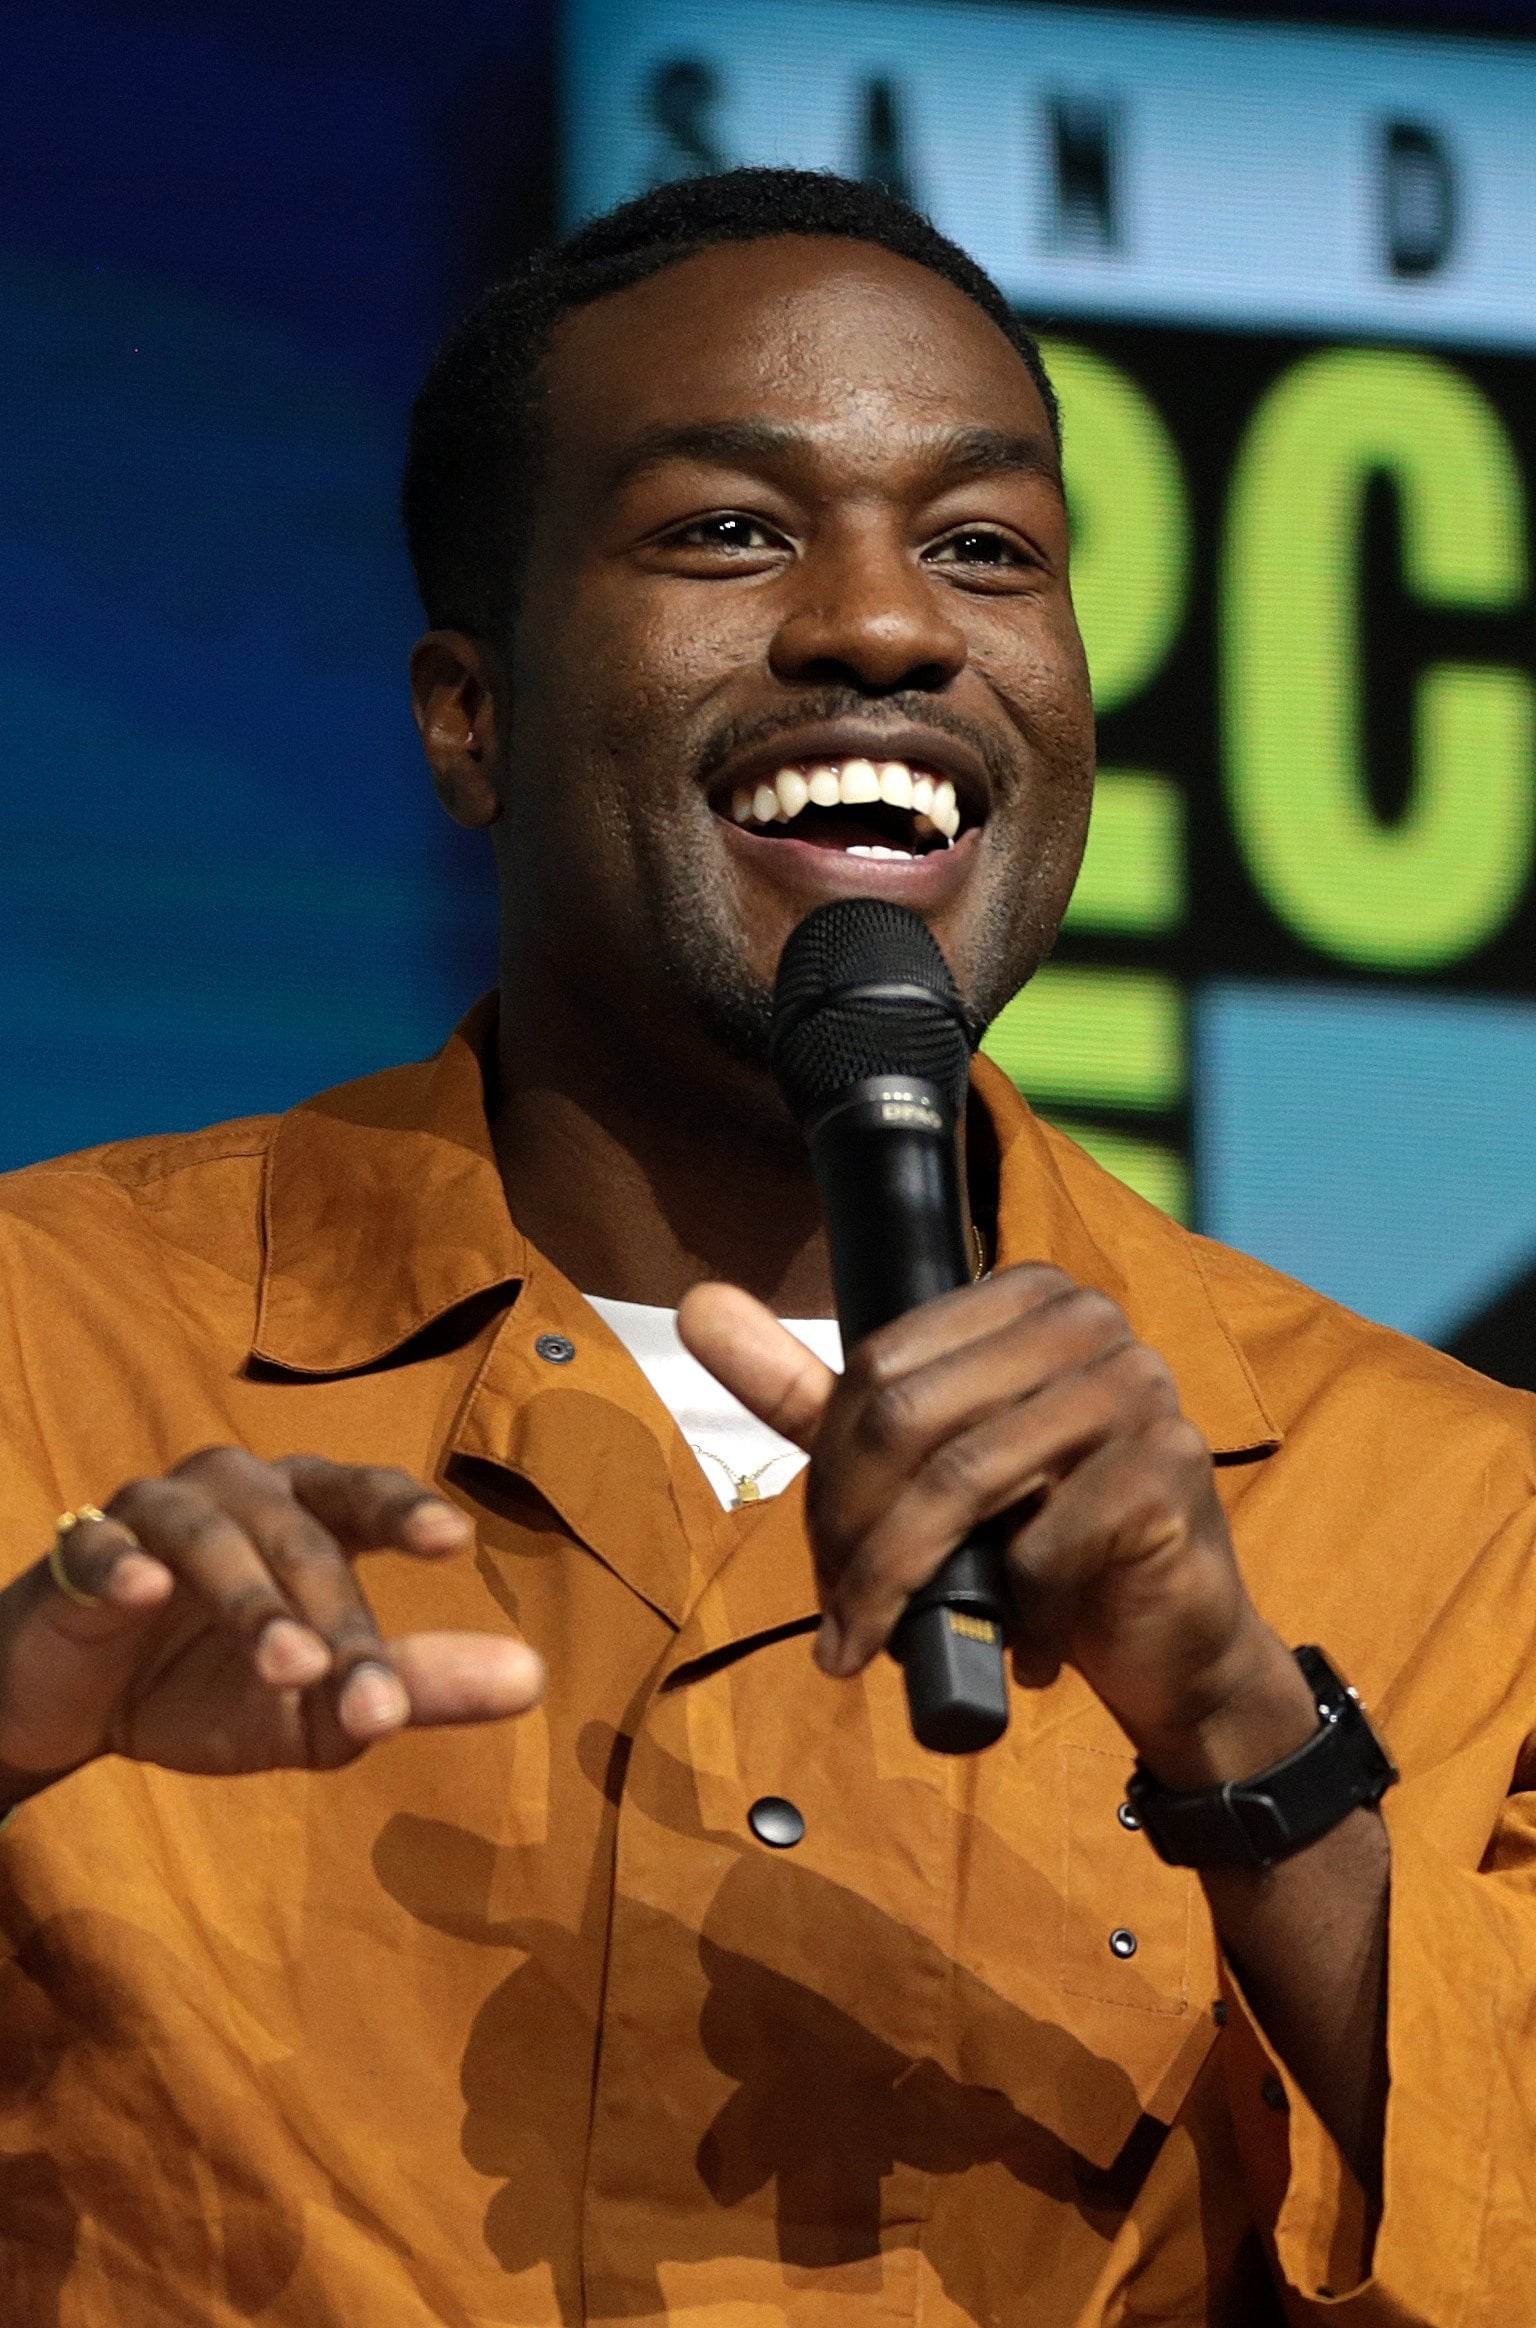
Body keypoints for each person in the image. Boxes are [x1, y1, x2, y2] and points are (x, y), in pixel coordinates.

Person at [0, 168, 1532, 2328]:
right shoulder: (39, 1353)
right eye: (730, 528)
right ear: (467, 716)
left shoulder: (1466, 1518)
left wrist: (1243, 1734)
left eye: (986, 547)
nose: (887, 627)